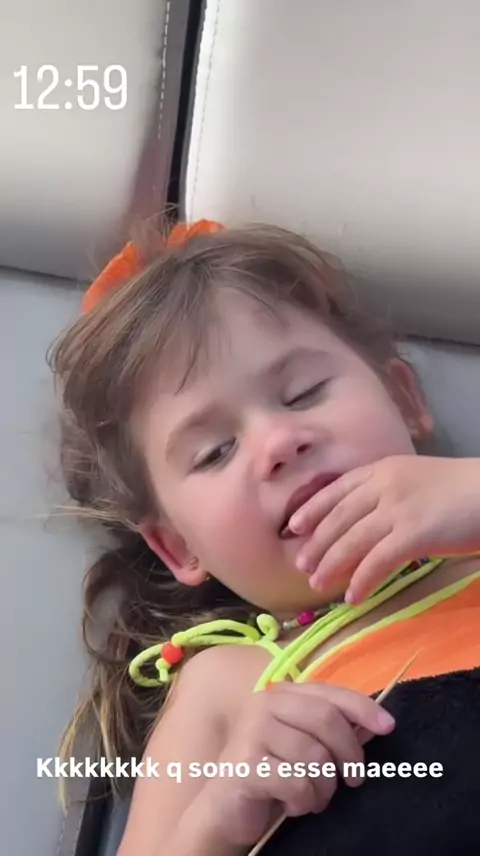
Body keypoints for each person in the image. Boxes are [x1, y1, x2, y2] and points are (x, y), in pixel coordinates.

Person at [51, 219, 480, 856]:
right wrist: (218, 818)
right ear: (180, 548)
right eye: (215, 452)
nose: (279, 443)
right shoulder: (227, 683)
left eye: (304, 393)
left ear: (403, 399)